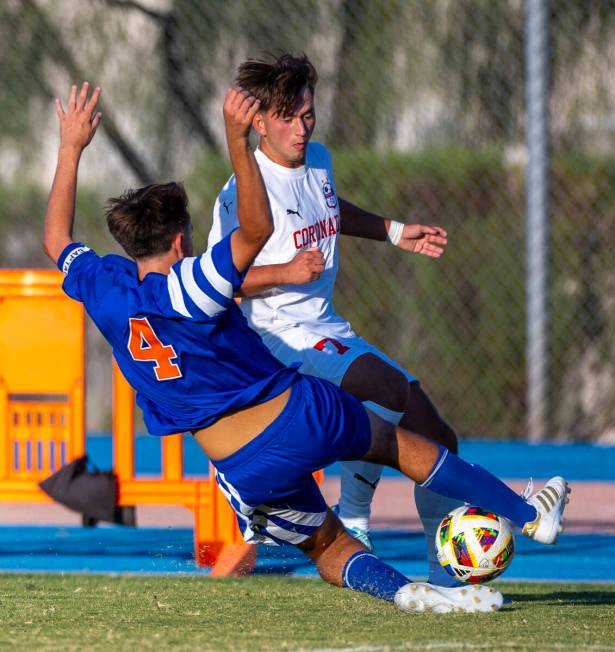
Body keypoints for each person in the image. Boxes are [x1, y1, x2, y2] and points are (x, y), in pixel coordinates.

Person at [43, 81, 569, 615]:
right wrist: (235, 138)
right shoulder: (191, 283)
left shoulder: (105, 288)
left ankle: (410, 593)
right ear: (181, 241)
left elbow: (56, 241)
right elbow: (256, 230)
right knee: (399, 444)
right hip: (297, 415)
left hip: (242, 468)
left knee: (327, 546)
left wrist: (68, 149)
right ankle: (527, 514)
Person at [206, 53, 466, 592]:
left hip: (328, 327)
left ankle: (448, 573)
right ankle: (353, 518)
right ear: (259, 123)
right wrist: (285, 269)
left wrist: (394, 231)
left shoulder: (317, 158)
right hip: (278, 338)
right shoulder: (242, 192)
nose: (301, 129)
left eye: (308, 115)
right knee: (385, 386)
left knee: (437, 435)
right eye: (288, 118)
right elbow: (221, 280)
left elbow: (327, 205)